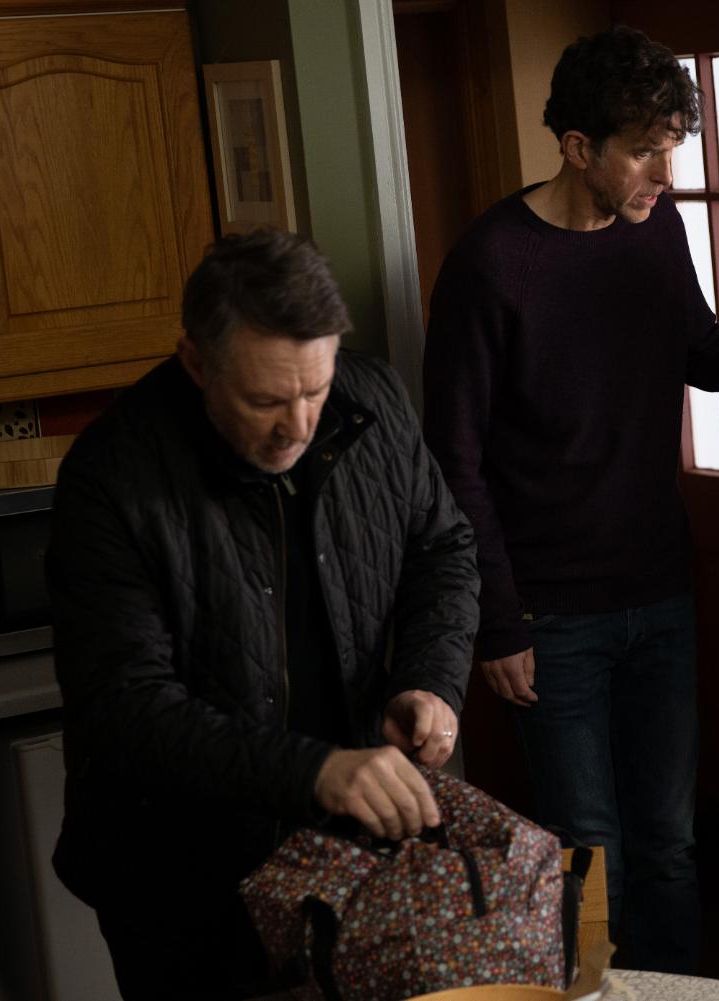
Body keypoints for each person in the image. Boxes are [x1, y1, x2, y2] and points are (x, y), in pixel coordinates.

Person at [423, 24, 719, 973]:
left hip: (660, 589)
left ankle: (679, 995)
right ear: (577, 147)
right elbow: (453, 464)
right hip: (550, 616)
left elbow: (703, 350)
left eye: (671, 149)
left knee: (671, 844)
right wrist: (497, 622)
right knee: (590, 851)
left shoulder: (655, 229)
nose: (662, 174)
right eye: (642, 151)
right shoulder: (490, 264)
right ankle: (594, 994)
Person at [48, 229, 481, 1000]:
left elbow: (441, 549)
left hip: (349, 861)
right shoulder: (112, 474)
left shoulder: (372, 397)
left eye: (314, 388)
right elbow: (127, 708)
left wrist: (432, 678)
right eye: (265, 400)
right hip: (181, 885)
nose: (299, 424)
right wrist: (317, 771)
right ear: (196, 363)